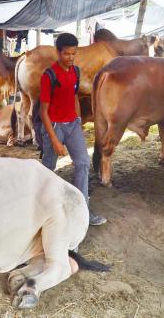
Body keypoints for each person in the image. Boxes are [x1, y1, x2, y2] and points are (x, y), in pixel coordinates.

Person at [39, 33, 106, 226]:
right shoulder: (48, 76)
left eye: (73, 54)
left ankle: (81, 209)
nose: (70, 57)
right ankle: (43, 210)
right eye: (66, 53)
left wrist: (77, 120)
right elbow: (43, 112)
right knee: (48, 168)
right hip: (54, 127)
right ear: (58, 52)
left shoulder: (75, 72)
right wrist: (54, 140)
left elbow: (74, 97)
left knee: (83, 164)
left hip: (72, 125)